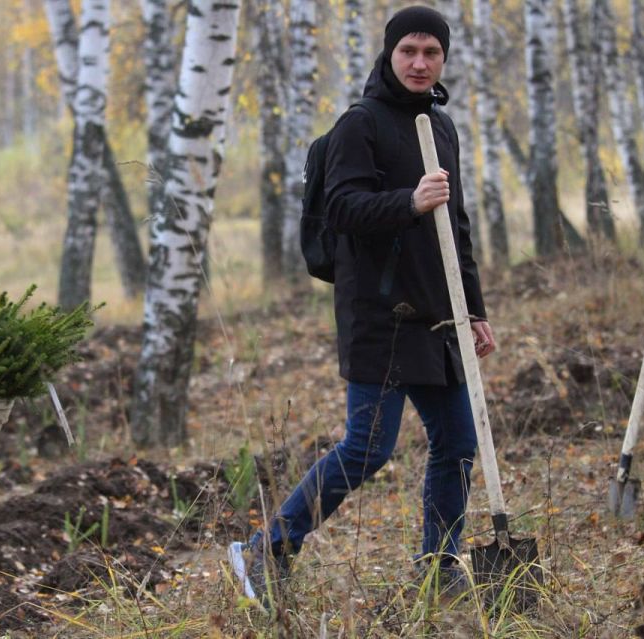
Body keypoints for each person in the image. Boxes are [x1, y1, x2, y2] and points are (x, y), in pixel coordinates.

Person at [229, 5, 495, 607]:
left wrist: (473, 308)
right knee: (368, 448)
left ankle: (439, 563)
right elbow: (345, 209)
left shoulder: (442, 126)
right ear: (389, 54)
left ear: (444, 58)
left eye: (432, 52)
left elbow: (458, 225)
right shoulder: (360, 125)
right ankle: (265, 551)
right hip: (380, 316)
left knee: (456, 442)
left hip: (438, 314)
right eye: (409, 51)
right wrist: (410, 200)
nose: (421, 63)